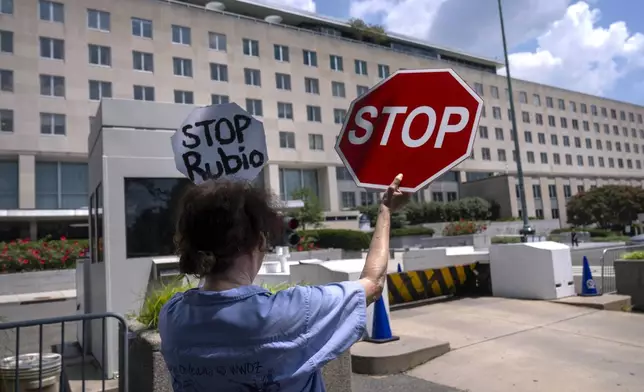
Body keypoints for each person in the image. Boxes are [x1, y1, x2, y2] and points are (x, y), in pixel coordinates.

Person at [159, 174, 410, 392]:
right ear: (258, 241)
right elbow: (373, 283)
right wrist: (385, 210)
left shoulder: (171, 316)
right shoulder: (288, 312)